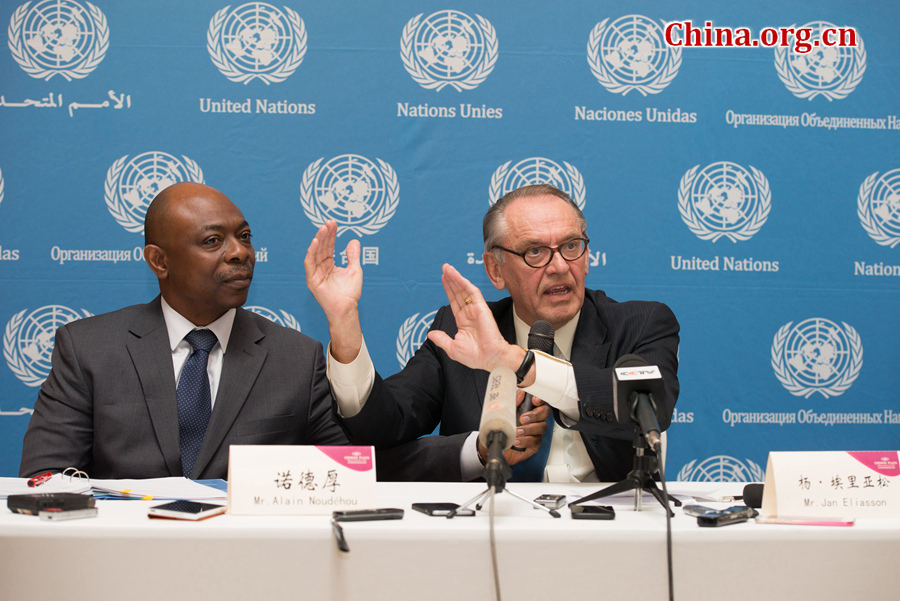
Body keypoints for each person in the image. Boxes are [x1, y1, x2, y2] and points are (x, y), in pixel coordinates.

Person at [305, 184, 679, 482]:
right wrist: (345, 324)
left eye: (571, 246)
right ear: (495, 270)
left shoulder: (640, 324)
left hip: (611, 533)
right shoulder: (459, 331)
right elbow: (382, 428)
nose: (560, 267)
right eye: (535, 252)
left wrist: (516, 362)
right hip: (492, 530)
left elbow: (650, 408)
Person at [20, 182, 348, 479]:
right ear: (159, 261)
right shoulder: (88, 349)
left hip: (244, 545)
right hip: (129, 543)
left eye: (244, 236)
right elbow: (45, 479)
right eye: (213, 241)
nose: (240, 252)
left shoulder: (296, 358)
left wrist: (344, 317)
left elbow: (345, 479)